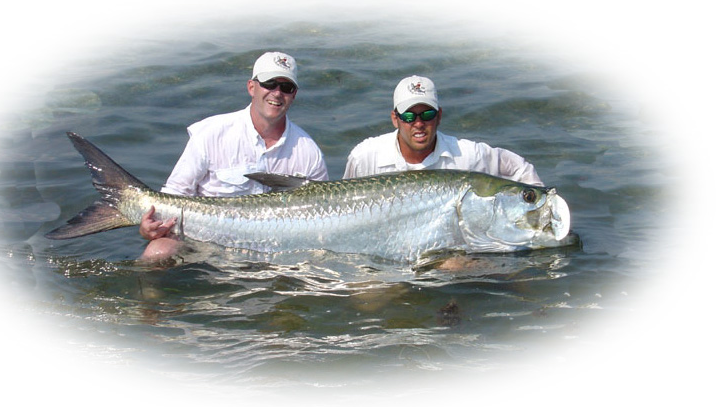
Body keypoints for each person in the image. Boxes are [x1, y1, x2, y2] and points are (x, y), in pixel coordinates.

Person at [139, 51, 329, 261]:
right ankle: (146, 294)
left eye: (286, 87)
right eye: (269, 83)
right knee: (157, 253)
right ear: (251, 87)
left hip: (276, 250)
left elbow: (322, 218)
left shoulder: (308, 151)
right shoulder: (211, 133)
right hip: (204, 243)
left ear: (294, 95)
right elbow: (175, 193)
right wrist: (150, 224)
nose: (277, 93)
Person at [343, 75, 543, 185]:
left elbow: (520, 169)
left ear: (439, 116)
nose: (419, 124)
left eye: (427, 115)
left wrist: (539, 208)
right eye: (409, 116)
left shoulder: (466, 154)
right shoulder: (365, 156)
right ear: (395, 119)